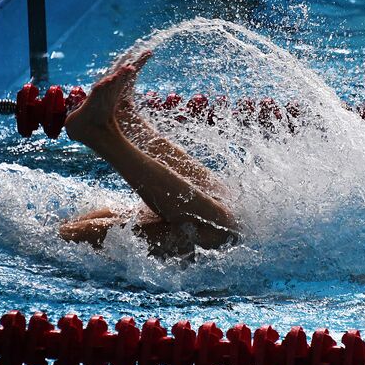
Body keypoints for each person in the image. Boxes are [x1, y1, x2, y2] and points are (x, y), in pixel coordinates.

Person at [59, 50, 239, 256]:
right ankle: (121, 124)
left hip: (62, 243)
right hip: (62, 243)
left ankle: (109, 130)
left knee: (224, 233)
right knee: (226, 217)